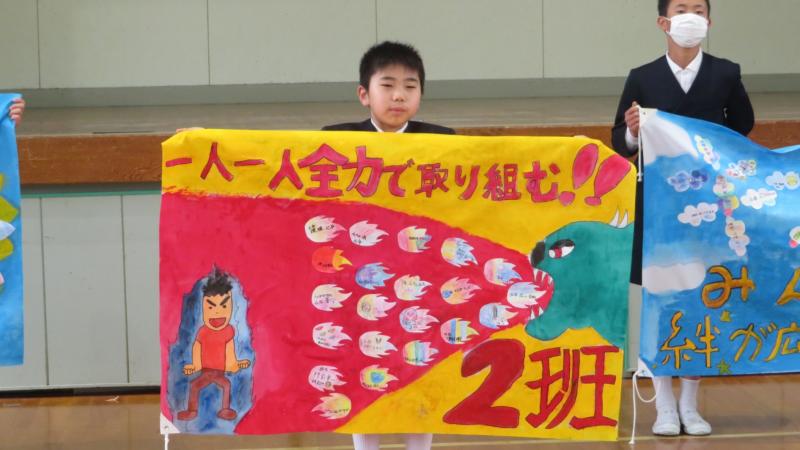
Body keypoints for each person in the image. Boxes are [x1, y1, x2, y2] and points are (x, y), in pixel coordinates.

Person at [611, 0, 754, 437]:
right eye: (680, 9)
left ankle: (691, 404)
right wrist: (633, 129)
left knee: (701, 299)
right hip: (659, 208)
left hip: (709, 206)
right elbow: (618, 140)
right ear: (663, 21)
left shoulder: (726, 73)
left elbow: (743, 125)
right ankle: (664, 405)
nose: (689, 16)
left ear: (708, 21)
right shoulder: (643, 76)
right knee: (661, 299)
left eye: (698, 9)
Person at [323, 40, 453, 450]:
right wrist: (203, 144)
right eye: (388, 85)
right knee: (365, 365)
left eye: (410, 87)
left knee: (419, 364)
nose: (399, 95)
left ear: (421, 95)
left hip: (421, 275)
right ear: (364, 94)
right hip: (359, 278)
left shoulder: (444, 142)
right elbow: (268, 157)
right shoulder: (335, 142)